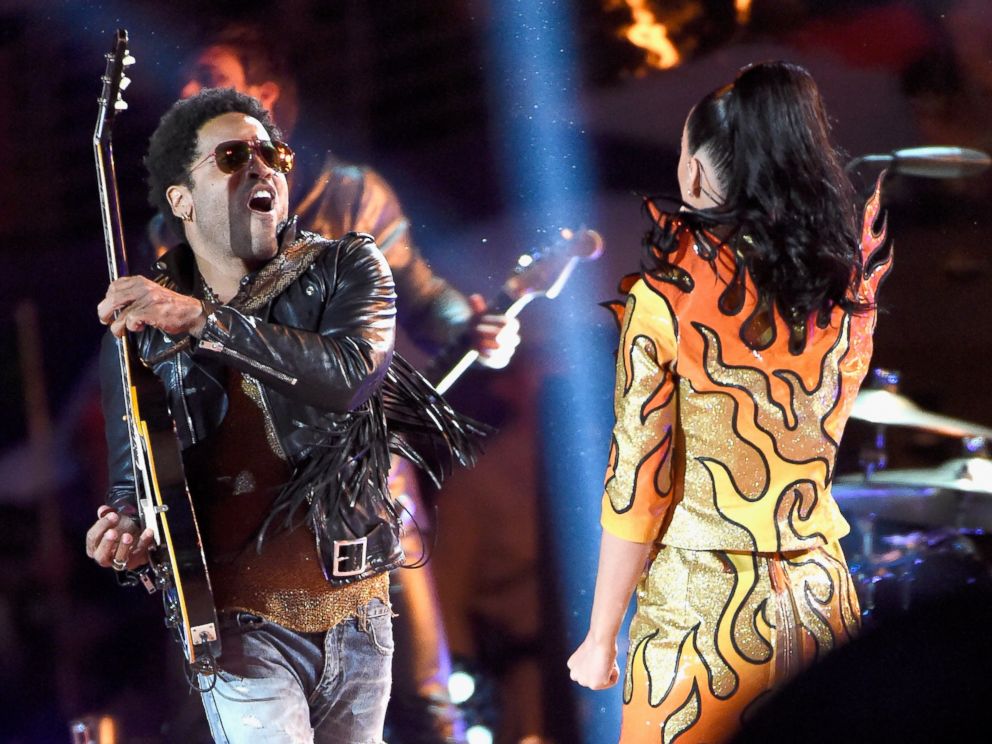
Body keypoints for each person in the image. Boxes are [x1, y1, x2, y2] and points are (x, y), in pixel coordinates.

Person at [85, 88, 482, 743]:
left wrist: (205, 322)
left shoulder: (347, 267)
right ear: (181, 199)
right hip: (237, 629)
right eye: (234, 156)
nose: (262, 167)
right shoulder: (140, 332)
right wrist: (124, 538)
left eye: (272, 153)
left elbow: (350, 376)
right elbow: (138, 489)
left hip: (356, 613)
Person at [171, 26, 520, 744]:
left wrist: (478, 321)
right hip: (250, 511)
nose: (183, 89)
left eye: (205, 74)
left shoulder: (351, 197)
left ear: (260, 98)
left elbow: (425, 295)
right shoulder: (178, 223)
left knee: (421, 681)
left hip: (364, 485)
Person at [567, 61, 892, 742]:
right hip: (822, 601)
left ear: (695, 174)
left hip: (703, 618)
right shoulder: (846, 294)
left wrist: (600, 636)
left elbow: (639, 484)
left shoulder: (666, 302)